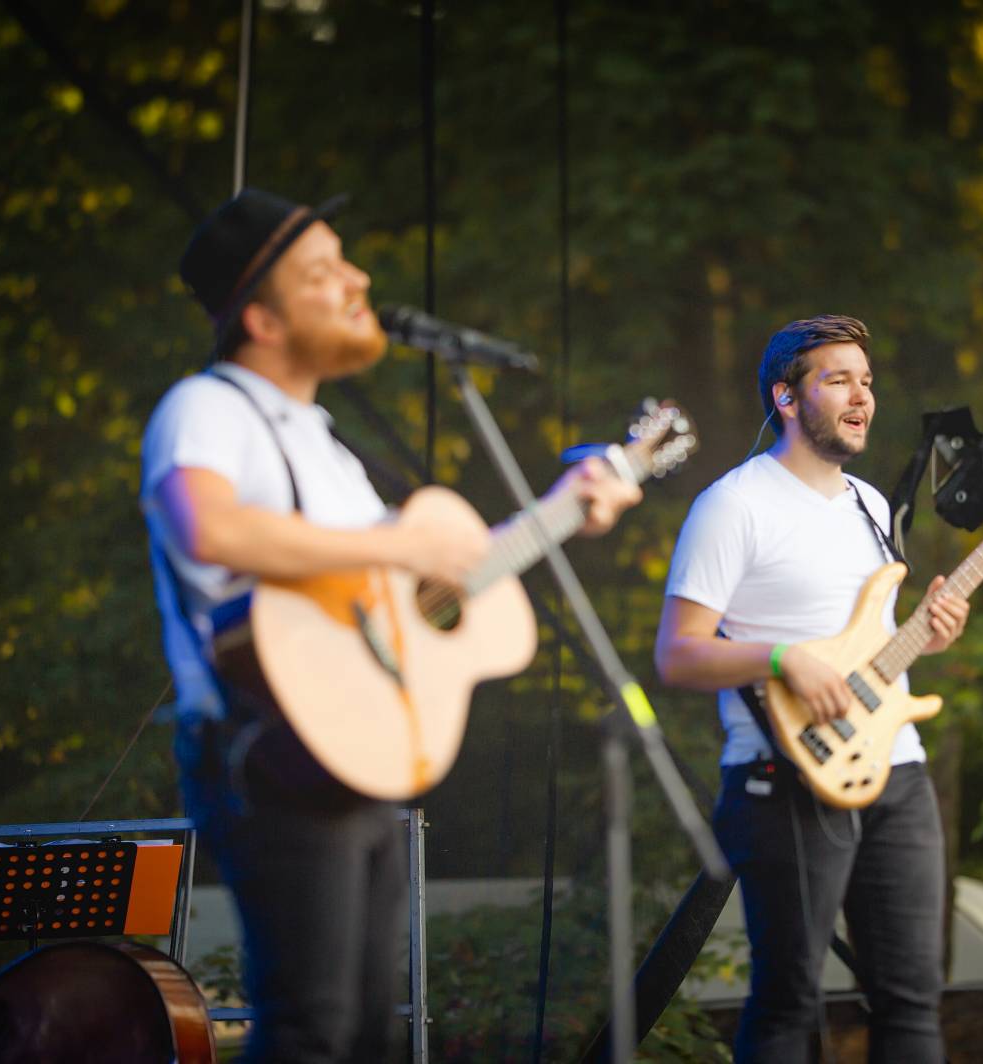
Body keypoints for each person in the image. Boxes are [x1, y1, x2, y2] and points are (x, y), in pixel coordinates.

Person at [140, 188, 640, 1062]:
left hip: (349, 746)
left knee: (367, 1035)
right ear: (260, 316)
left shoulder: (323, 442)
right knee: (312, 1029)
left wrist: (565, 508)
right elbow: (207, 528)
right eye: (322, 271)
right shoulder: (208, 407)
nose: (357, 280)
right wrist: (404, 543)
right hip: (267, 743)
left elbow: (425, 581)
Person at [654, 315, 971, 1062]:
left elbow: (869, 647)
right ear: (787, 397)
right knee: (788, 1002)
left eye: (867, 382)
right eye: (839, 381)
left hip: (897, 768)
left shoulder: (869, 505)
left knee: (913, 998)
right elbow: (677, 655)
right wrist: (781, 659)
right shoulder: (734, 504)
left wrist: (928, 633)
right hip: (785, 775)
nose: (862, 397)